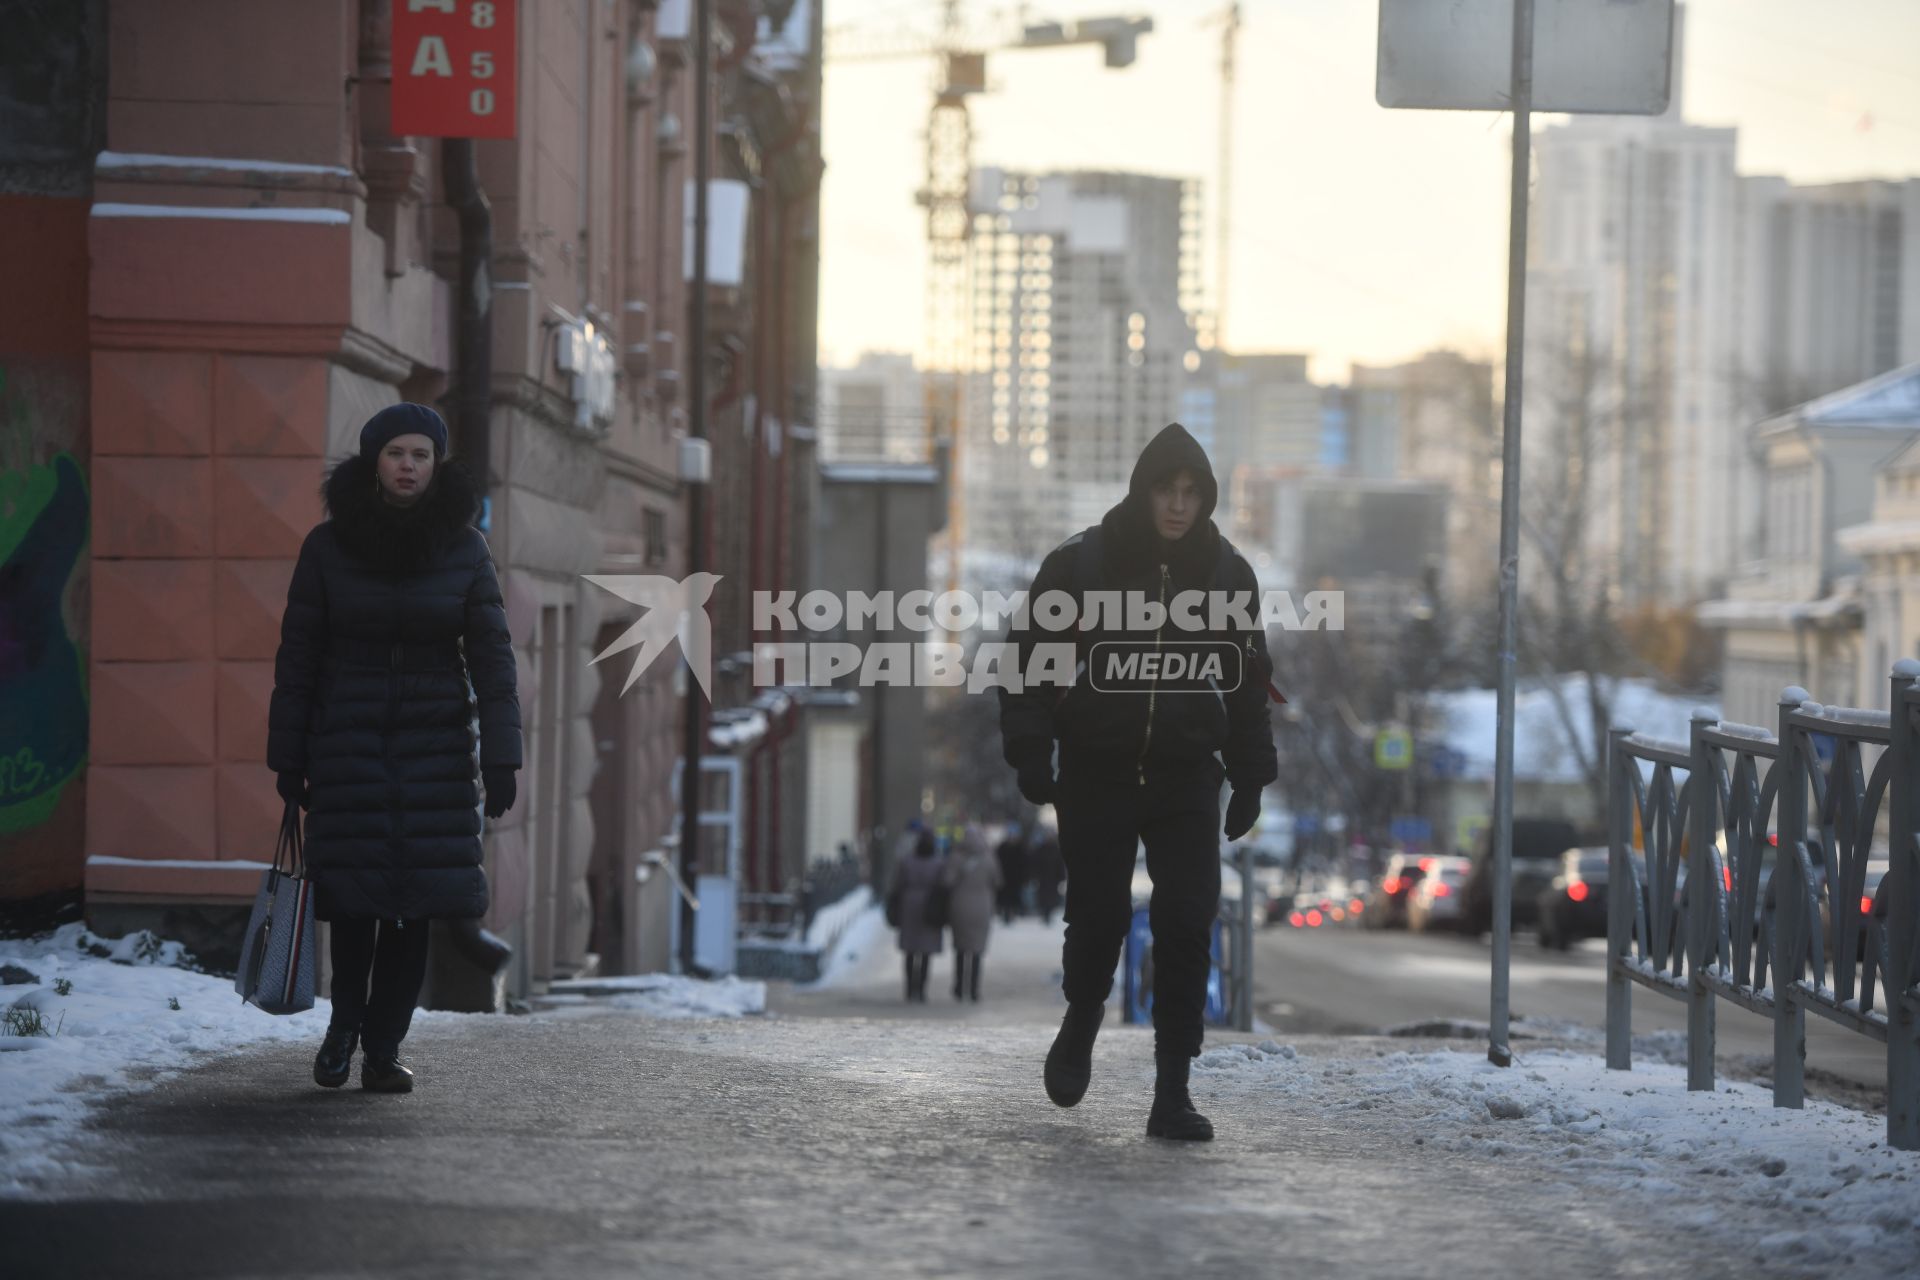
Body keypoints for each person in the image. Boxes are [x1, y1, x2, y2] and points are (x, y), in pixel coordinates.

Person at [999, 422, 1278, 1141]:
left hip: (1188, 777)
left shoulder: (1227, 576)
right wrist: (1032, 753)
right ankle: (1081, 1018)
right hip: (1098, 771)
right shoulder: (1080, 566)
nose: (1179, 506)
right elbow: (1025, 664)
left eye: (1192, 493)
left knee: (1188, 922)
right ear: (1143, 491)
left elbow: (1247, 682)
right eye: (1167, 491)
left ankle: (1172, 1092)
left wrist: (1249, 777)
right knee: (1100, 918)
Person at [268, 403, 523, 1094]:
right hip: (346, 745)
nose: (409, 466)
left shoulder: (464, 548)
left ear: (436, 466)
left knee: (414, 908)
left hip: (435, 751)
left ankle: (382, 1048)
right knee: (354, 902)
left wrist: (502, 756)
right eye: (396, 454)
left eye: (421, 455)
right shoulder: (328, 546)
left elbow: (494, 660)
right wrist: (288, 756)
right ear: (373, 461)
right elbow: (299, 656)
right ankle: (342, 1028)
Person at [942, 824, 1004, 1002]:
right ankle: (974, 989)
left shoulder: (955, 857)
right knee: (977, 950)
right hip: (982, 908)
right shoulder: (989, 858)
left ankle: (960, 988)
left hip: (959, 907)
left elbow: (947, 881)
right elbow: (998, 881)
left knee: (961, 949)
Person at [886, 825, 945, 1001]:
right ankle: (921, 989)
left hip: (909, 905)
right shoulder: (938, 863)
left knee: (911, 951)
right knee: (925, 952)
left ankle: (909, 988)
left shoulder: (907, 861)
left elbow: (897, 884)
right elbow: (943, 884)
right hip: (929, 907)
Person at [994, 823, 1028, 925]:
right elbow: (997, 862)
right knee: (1005, 898)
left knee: (1013, 898)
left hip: (1016, 879)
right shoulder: (1002, 847)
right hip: (1004, 878)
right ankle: (1006, 914)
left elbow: (1025, 864)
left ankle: (1012, 914)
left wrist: (1024, 877)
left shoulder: (1021, 848)